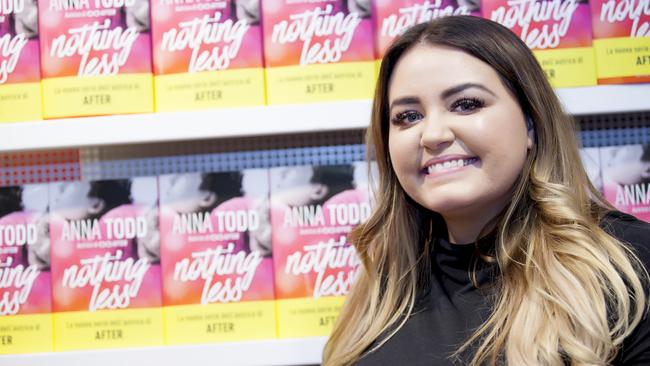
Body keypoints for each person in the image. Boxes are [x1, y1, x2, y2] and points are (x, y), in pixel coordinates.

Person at [323, 16, 650, 366]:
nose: (432, 135)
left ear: (531, 123)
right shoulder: (383, 289)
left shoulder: (627, 265)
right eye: (408, 116)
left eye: (466, 104)